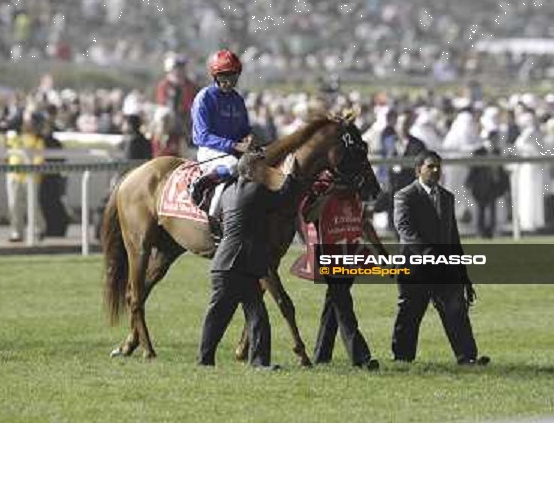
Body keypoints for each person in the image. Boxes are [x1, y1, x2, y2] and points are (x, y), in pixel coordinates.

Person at [198, 152, 301, 369]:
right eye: (262, 168)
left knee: (256, 315)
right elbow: (284, 197)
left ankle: (259, 363)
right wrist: (290, 174)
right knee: (220, 316)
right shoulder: (256, 190)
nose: (266, 172)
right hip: (234, 266)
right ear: (251, 170)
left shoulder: (228, 191)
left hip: (236, 265)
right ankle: (205, 360)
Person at [391, 151, 490, 366]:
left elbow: (453, 237)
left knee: (457, 311)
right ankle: (402, 359)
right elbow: (405, 230)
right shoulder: (404, 196)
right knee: (410, 313)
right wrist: (429, 256)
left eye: (438, 167)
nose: (436, 171)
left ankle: (468, 358)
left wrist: (463, 273)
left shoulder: (447, 197)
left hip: (445, 269)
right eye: (431, 166)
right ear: (419, 170)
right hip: (416, 268)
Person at [301, 170, 386, 370]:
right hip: (331, 254)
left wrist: (381, 251)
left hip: (352, 253)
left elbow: (364, 223)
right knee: (343, 305)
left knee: (334, 303)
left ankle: (322, 355)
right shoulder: (321, 184)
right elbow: (308, 216)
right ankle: (361, 357)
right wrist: (328, 194)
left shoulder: (355, 185)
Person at [189, 49, 253, 210]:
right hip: (210, 151)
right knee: (233, 165)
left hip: (234, 152)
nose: (229, 80)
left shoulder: (238, 100)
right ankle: (203, 189)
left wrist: (249, 138)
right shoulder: (205, 97)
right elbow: (201, 137)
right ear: (215, 76)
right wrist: (234, 146)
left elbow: (245, 130)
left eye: (233, 75)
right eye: (224, 75)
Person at [6, 110, 47, 242]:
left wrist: (31, 168)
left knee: (32, 204)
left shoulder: (38, 139)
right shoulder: (15, 136)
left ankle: (39, 228)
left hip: (31, 177)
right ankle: (17, 232)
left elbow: (39, 158)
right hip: (15, 175)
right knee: (14, 204)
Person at [465, 131, 509, 238]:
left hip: (493, 185)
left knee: (492, 208)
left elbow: (501, 169)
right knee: (481, 208)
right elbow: (473, 169)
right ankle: (481, 231)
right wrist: (469, 183)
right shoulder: (478, 152)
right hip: (480, 185)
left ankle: (491, 230)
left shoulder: (497, 152)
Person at [154, 53, 197, 147]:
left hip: (187, 124)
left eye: (182, 68)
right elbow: (163, 105)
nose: (180, 71)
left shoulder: (190, 85)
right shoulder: (164, 85)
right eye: (177, 68)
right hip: (170, 125)